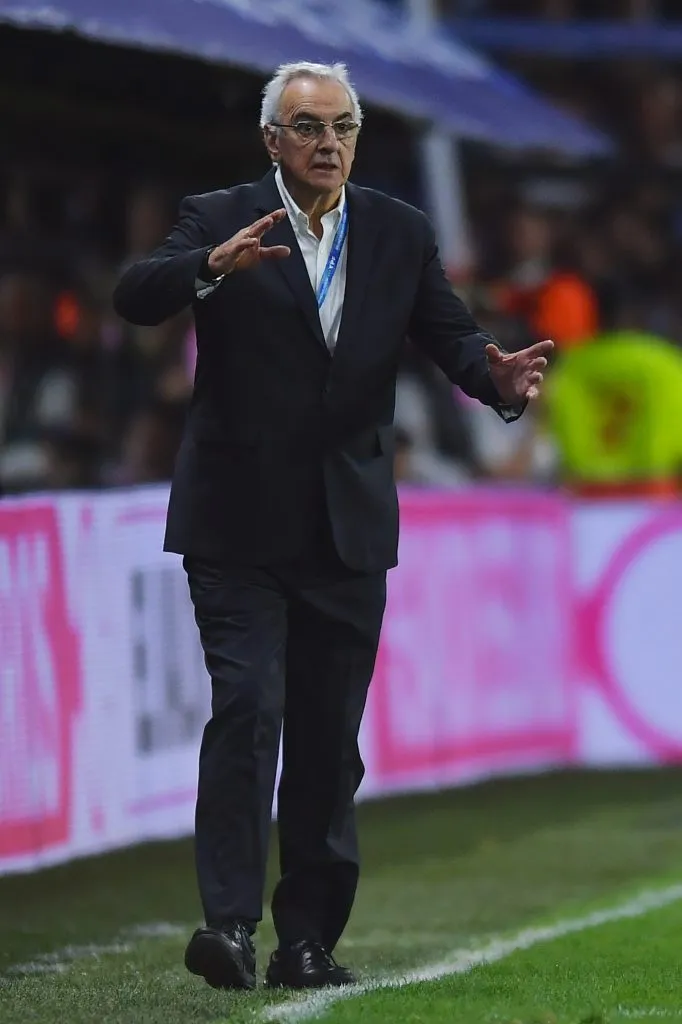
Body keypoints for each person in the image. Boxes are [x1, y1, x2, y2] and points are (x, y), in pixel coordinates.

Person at [113, 60, 553, 992]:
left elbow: (452, 338)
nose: (328, 142)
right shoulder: (219, 213)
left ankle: (305, 940)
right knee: (248, 707)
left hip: (347, 527)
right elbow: (136, 291)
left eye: (342, 125)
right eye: (307, 126)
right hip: (235, 525)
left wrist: (498, 381)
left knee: (326, 738)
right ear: (271, 139)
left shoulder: (399, 229)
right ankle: (227, 926)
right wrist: (206, 268)